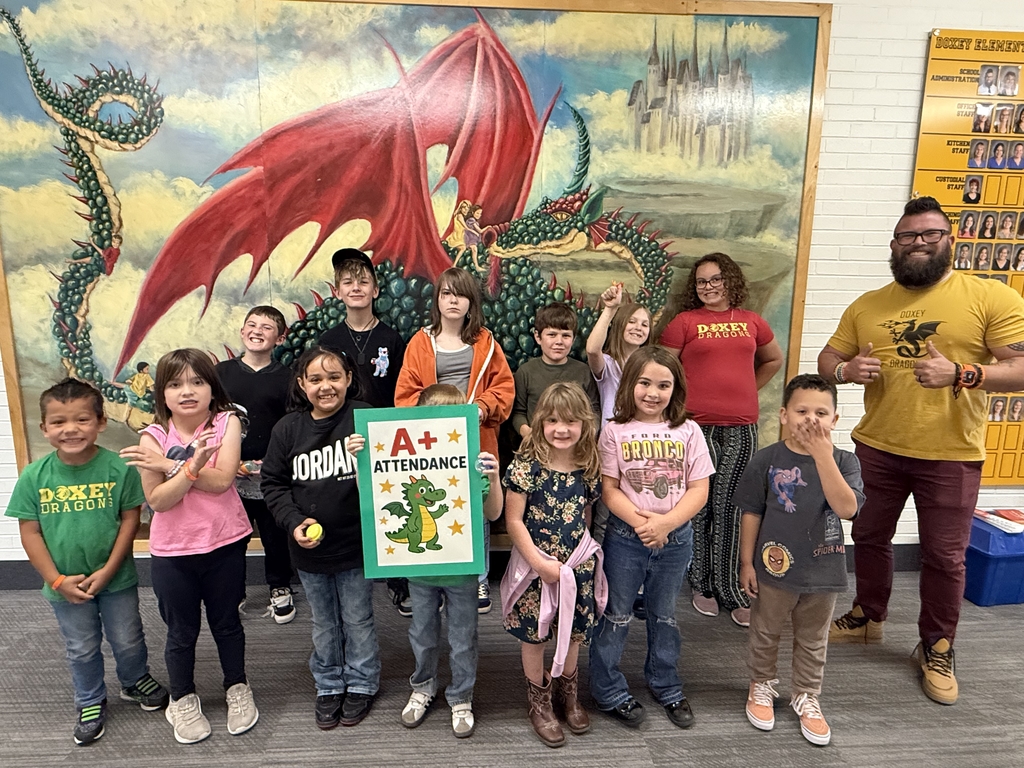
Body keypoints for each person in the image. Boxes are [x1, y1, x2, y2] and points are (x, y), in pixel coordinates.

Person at [818, 196, 1024, 706]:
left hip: (951, 452)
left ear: (949, 240)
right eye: (907, 235)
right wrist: (845, 370)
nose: (918, 243)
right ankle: (868, 616)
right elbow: (827, 358)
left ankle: (936, 645)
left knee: (945, 556)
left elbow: (1020, 368)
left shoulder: (988, 296)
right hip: (877, 446)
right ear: (894, 244)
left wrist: (962, 372)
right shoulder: (868, 304)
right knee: (868, 535)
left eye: (930, 234)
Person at [5, 378, 169, 746]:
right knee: (81, 645)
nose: (71, 429)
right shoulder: (34, 476)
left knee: (128, 638)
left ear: (101, 422)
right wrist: (56, 580)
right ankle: (90, 699)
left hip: (116, 578)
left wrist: (109, 570)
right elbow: (30, 532)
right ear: (44, 428)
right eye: (59, 422)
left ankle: (134, 680)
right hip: (64, 585)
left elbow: (130, 520)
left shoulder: (118, 469)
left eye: (81, 419)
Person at [347, 384, 504, 739]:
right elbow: (370, 495)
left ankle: (461, 695)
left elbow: (494, 512)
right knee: (422, 634)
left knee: (463, 638)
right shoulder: (406, 459)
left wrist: (493, 478)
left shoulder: (474, 461)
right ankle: (423, 685)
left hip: (462, 571)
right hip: (420, 570)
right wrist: (361, 460)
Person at [120, 349, 258, 744]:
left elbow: (223, 480)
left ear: (212, 387)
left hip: (224, 543)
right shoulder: (152, 436)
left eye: (197, 382)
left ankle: (237, 686)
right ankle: (181, 698)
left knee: (227, 624)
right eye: (176, 383)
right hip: (173, 552)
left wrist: (170, 467)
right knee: (181, 632)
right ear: (162, 393)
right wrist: (194, 467)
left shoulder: (225, 422)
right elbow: (159, 501)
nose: (187, 391)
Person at [736, 374, 864, 747]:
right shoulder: (767, 459)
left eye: (821, 413)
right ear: (783, 415)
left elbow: (847, 508)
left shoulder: (846, 461)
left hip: (824, 569)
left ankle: (806, 694)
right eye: (802, 411)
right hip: (773, 566)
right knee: (765, 629)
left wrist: (822, 455)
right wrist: (746, 563)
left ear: (835, 419)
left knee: (813, 637)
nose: (811, 419)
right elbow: (751, 512)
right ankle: (761, 683)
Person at [589, 347, 714, 729]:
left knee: (664, 615)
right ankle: (608, 689)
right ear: (630, 384)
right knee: (615, 613)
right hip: (626, 539)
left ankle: (666, 685)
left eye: (663, 385)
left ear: (675, 389)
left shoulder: (688, 430)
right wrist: (644, 525)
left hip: (675, 540)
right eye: (644, 383)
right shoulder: (614, 430)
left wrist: (666, 525)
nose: (653, 393)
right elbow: (609, 489)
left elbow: (699, 489)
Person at [659, 252, 784, 627]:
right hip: (694, 428)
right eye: (701, 281)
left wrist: (747, 390)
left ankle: (731, 588)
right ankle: (701, 585)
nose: (708, 286)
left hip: (741, 428)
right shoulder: (684, 322)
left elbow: (773, 360)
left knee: (732, 508)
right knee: (698, 507)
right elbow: (663, 371)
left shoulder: (751, 321)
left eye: (715, 279)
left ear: (730, 281)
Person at [261, 346, 378, 730]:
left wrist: (368, 456)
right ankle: (329, 683)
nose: (325, 386)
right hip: (309, 551)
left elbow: (390, 474)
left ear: (348, 379)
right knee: (324, 622)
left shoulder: (366, 418)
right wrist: (293, 522)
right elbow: (273, 484)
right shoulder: (287, 429)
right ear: (301, 384)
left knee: (358, 619)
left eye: (334, 377)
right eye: (315, 379)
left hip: (357, 545)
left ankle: (361, 682)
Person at [395, 267, 515, 614]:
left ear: (470, 302)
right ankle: (434, 576)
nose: (453, 300)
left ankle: (479, 576)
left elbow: (504, 388)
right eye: (446, 293)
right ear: (437, 300)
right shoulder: (420, 342)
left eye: (460, 294)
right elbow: (405, 394)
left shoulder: (486, 342)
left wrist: (482, 407)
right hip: (431, 443)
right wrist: (432, 413)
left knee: (477, 505)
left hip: (476, 437)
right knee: (436, 502)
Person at [500, 382, 605, 747]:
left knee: (572, 632)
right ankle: (539, 702)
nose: (562, 429)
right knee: (535, 635)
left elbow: (585, 515)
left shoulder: (588, 465)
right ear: (541, 421)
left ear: (585, 424)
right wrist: (538, 563)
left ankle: (568, 694)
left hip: (576, 568)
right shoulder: (527, 465)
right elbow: (513, 520)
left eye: (571, 421)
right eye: (554, 421)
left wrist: (578, 558)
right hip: (535, 569)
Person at [216, 306, 297, 624]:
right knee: (232, 537)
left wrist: (274, 462)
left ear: (280, 338)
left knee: (275, 536)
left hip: (272, 474)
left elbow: (293, 425)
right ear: (241, 332)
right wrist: (227, 460)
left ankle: (280, 586)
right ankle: (233, 591)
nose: (257, 331)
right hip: (228, 473)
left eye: (267, 327)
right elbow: (210, 421)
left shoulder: (288, 378)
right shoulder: (221, 374)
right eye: (252, 324)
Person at [585, 283, 652, 549]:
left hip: (645, 450)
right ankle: (600, 568)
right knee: (604, 514)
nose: (638, 327)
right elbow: (592, 349)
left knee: (641, 509)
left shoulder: (652, 367)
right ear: (621, 325)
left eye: (645, 324)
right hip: (612, 450)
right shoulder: (610, 365)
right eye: (632, 321)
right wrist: (610, 309)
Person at [319, 248, 407, 410]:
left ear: (375, 291)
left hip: (382, 420)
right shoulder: (328, 341)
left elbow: (403, 390)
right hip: (341, 421)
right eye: (348, 282)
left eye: (363, 282)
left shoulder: (392, 339)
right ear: (337, 292)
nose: (356, 288)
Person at [511, 301, 600, 441]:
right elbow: (518, 412)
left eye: (566, 336)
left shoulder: (584, 371)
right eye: (552, 335)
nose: (559, 341)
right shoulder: (525, 372)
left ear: (573, 339)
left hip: (574, 445)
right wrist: (526, 432)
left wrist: (589, 433)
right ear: (538, 337)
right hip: (537, 445)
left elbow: (594, 410)